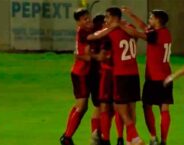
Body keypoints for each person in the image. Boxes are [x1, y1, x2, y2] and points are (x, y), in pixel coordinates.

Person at [89, 7, 145, 145]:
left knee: (119, 107)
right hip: (134, 73)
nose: (106, 20)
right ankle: (129, 140)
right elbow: (141, 35)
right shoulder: (130, 27)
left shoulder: (110, 32)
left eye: (107, 17)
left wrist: (111, 28)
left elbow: (92, 37)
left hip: (120, 74)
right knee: (131, 107)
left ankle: (135, 137)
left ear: (114, 18)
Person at [121, 7, 173, 145]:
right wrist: (131, 14)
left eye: (151, 18)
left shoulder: (155, 35)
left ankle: (154, 137)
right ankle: (164, 141)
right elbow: (144, 27)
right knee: (164, 108)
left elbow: (138, 34)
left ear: (158, 20)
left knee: (147, 106)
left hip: (154, 78)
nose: (149, 20)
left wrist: (120, 25)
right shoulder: (165, 32)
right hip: (167, 76)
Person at [60, 8, 98, 145]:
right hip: (80, 73)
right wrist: (96, 57)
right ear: (78, 23)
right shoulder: (83, 32)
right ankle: (67, 138)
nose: (88, 21)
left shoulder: (85, 30)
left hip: (83, 72)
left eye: (88, 18)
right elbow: (83, 56)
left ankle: (67, 134)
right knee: (82, 107)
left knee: (80, 106)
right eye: (84, 19)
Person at [88, 14, 125, 145]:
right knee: (107, 107)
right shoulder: (106, 38)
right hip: (103, 77)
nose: (107, 23)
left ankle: (99, 136)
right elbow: (102, 57)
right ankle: (101, 136)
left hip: (99, 76)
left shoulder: (97, 38)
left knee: (102, 107)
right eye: (105, 21)